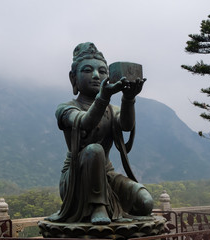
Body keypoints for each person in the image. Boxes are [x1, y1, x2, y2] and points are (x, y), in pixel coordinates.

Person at [48, 42, 153, 225]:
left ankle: (108, 205)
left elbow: (126, 126)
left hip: (107, 175)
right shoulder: (66, 108)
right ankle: (98, 206)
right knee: (94, 149)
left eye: (102, 71)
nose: (96, 76)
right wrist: (103, 97)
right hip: (76, 179)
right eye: (88, 70)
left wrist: (129, 99)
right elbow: (86, 123)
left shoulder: (112, 110)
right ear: (73, 78)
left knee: (146, 202)